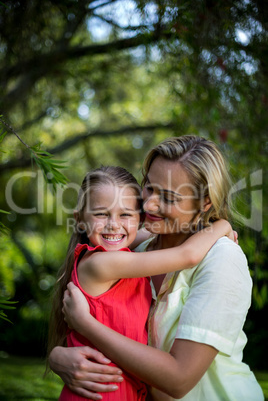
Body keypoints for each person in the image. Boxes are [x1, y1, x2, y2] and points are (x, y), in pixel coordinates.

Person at [51, 136, 264, 401]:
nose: (149, 205)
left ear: (205, 203)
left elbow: (178, 381)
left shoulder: (221, 259)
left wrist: (86, 325)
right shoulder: (134, 251)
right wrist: (58, 357)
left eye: (168, 197)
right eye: (149, 187)